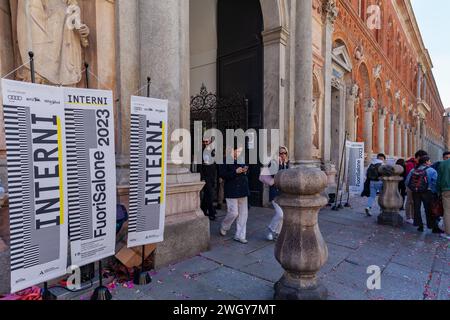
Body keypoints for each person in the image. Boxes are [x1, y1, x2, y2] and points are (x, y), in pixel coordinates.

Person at [219, 145, 250, 244]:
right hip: (231, 190)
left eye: (240, 151)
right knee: (233, 212)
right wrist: (235, 172)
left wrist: (245, 170)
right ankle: (224, 226)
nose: (239, 153)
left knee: (243, 214)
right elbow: (223, 174)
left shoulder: (241, 159)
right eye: (237, 151)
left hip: (243, 189)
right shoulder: (224, 160)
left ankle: (240, 235)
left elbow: (245, 171)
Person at [260, 147, 290, 242]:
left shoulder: (287, 164)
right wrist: (279, 164)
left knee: (283, 215)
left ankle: (278, 233)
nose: (283, 155)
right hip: (275, 193)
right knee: (280, 214)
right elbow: (271, 174)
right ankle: (270, 230)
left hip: (283, 193)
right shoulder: (273, 163)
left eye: (284, 153)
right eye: (281, 153)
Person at [406, 156, 442, 233]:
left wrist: (414, 188)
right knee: (429, 209)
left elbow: (407, 181)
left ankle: (420, 226)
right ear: (426, 162)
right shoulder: (432, 170)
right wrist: (433, 190)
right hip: (427, 192)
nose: (430, 162)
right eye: (429, 161)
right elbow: (435, 182)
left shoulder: (413, 170)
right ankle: (432, 227)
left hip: (416, 192)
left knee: (417, 208)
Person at [404, 150, 428, 224]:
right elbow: (409, 176)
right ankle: (408, 217)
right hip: (411, 185)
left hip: (417, 186)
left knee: (414, 202)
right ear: (418, 157)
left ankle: (414, 217)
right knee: (409, 201)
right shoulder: (410, 164)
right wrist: (408, 186)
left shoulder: (417, 164)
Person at [200, 137, 217, 221]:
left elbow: (215, 163)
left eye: (207, 141)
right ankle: (212, 213)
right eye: (204, 142)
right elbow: (200, 166)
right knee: (210, 194)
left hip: (212, 176)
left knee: (207, 194)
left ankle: (203, 210)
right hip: (206, 177)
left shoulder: (213, 150)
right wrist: (202, 177)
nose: (205, 143)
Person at [437, 151, 450, 240]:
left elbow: (439, 179)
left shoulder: (443, 164)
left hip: (446, 190)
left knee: (447, 212)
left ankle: (448, 233)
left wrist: (438, 192)